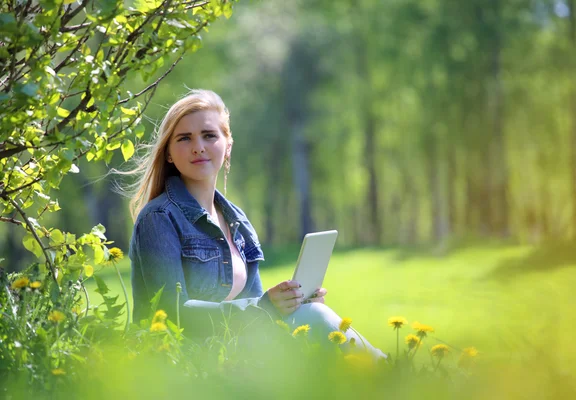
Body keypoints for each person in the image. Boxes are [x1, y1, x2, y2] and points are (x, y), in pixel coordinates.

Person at [127, 89, 385, 360]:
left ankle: (385, 373)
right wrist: (265, 307)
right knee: (314, 323)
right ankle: (392, 373)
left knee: (310, 317)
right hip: (185, 361)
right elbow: (170, 314)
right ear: (168, 153)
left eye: (209, 135)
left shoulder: (236, 219)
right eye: (184, 138)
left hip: (238, 352)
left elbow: (258, 309)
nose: (198, 147)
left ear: (228, 146)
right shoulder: (159, 218)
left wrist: (291, 303)